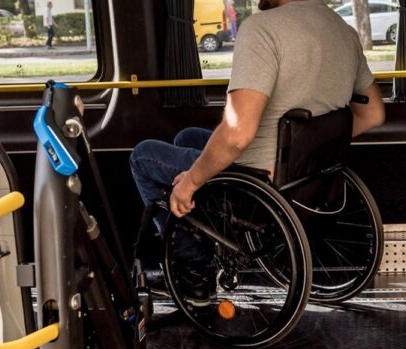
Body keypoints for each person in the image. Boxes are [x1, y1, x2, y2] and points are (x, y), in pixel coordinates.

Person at [129, 0, 385, 303]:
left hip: (259, 180)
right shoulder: (342, 29)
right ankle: (208, 241)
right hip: (313, 178)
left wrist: (192, 181)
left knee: (143, 157)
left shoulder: (262, 29)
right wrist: (308, 150)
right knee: (187, 137)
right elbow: (373, 114)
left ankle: (195, 273)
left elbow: (238, 134)